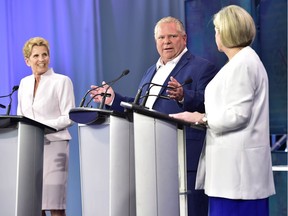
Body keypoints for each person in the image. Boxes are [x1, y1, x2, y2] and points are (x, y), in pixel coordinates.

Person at [90, 16, 218, 215]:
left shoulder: (202, 67)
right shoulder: (151, 71)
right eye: (161, 37)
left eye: (172, 36)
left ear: (184, 38)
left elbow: (209, 103)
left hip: (184, 155)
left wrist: (184, 95)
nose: (166, 41)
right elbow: (144, 107)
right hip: (151, 154)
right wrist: (113, 100)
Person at [170, 5, 275, 216]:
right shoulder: (239, 62)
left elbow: (238, 115)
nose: (215, 35)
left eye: (217, 30)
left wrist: (201, 118)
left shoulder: (244, 64)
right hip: (230, 174)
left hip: (239, 178)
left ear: (227, 32)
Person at [17, 37, 75, 216]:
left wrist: (40, 126)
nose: (41, 59)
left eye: (45, 55)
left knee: (55, 204)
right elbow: (21, 115)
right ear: (27, 61)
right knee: (36, 205)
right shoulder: (23, 84)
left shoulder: (62, 81)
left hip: (55, 145)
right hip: (31, 148)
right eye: (36, 56)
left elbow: (69, 116)